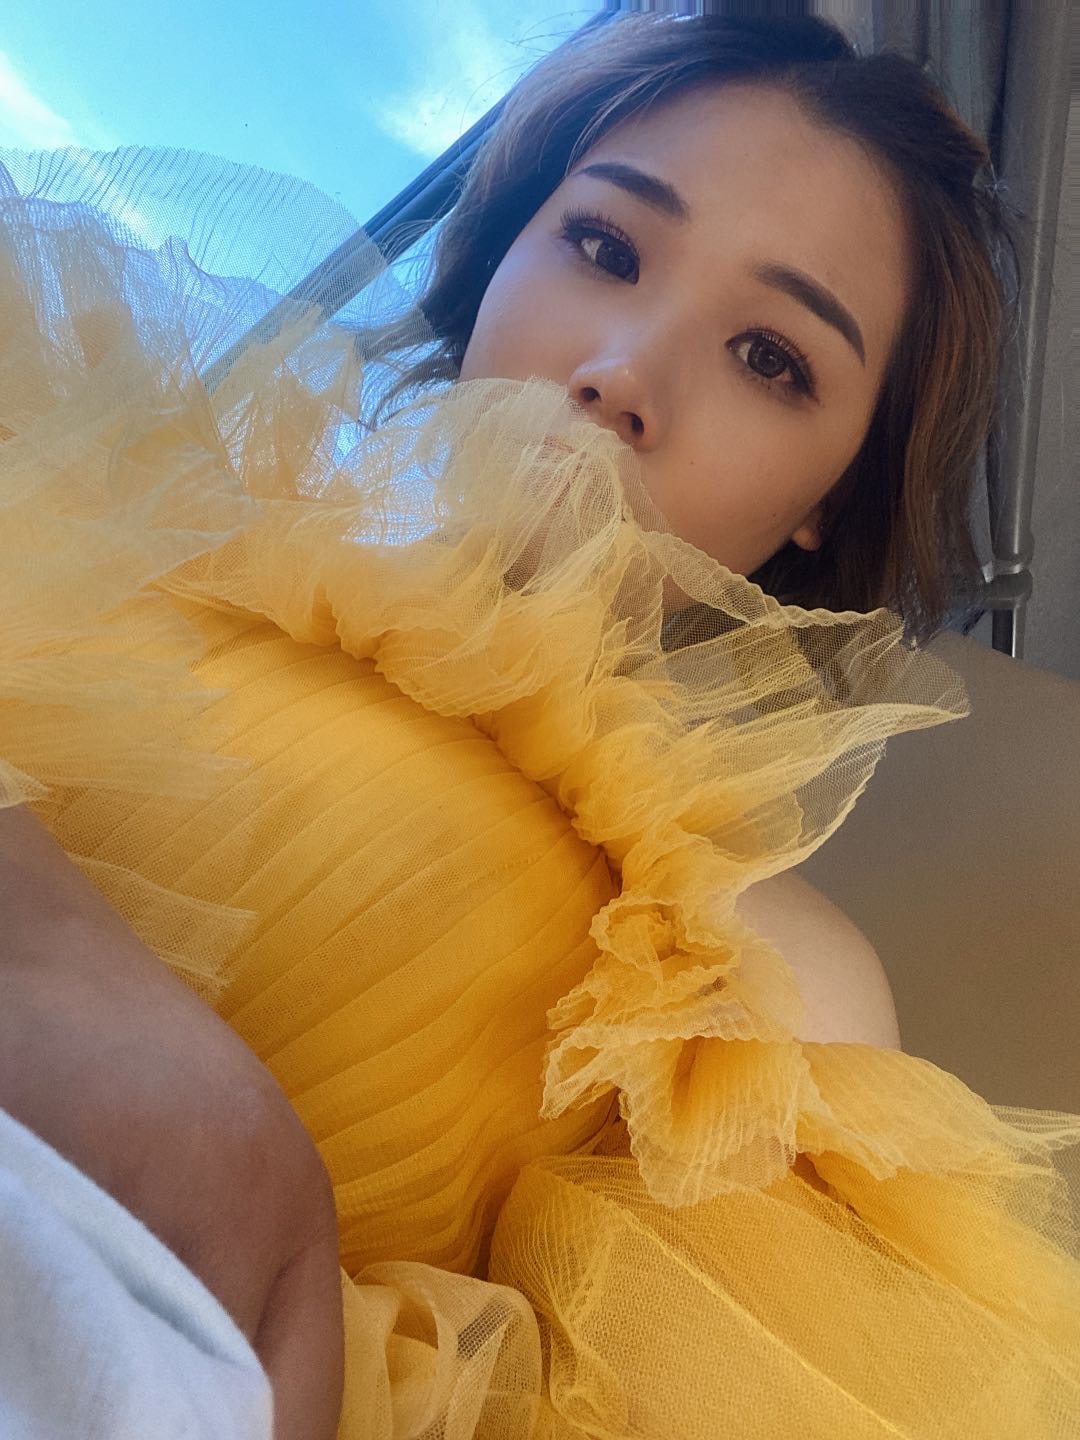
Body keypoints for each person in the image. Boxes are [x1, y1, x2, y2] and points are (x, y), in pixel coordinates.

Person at [1, 12, 1078, 1439]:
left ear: (831, 493)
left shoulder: (764, 976)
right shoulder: (126, 513)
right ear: (503, 249)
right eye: (605, 247)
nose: (625, 371)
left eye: (771, 356)